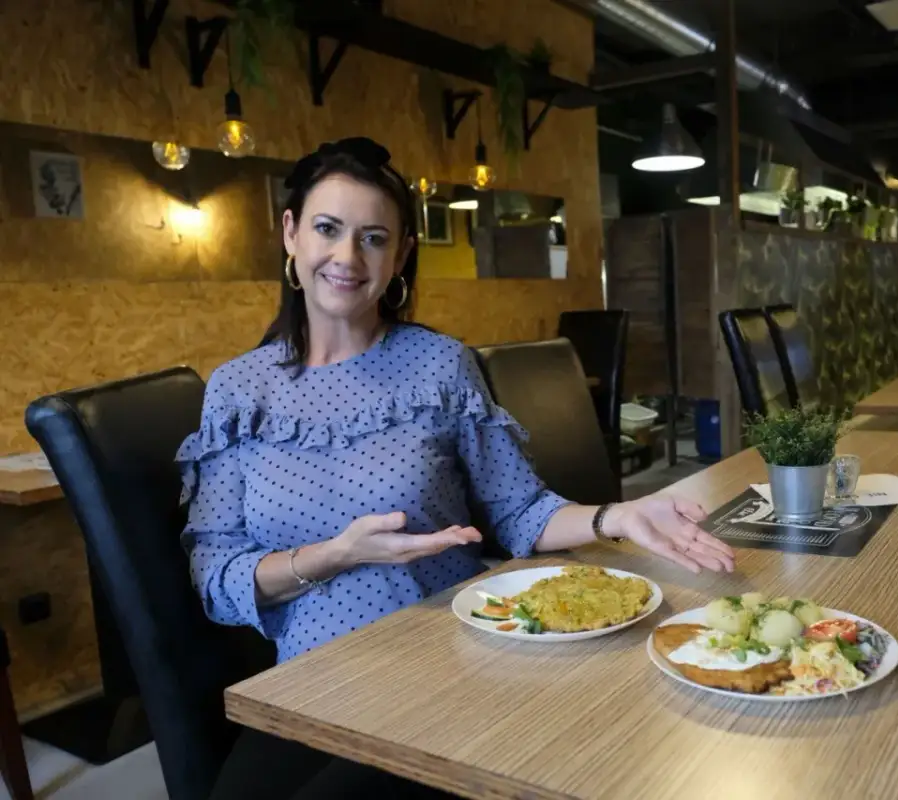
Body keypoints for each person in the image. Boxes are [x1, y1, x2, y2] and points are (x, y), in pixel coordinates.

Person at [177, 137, 736, 799]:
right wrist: (333, 555)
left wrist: (621, 515)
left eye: (374, 237)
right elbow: (215, 574)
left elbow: (519, 511)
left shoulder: (439, 365)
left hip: (448, 661)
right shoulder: (239, 390)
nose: (348, 257)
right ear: (291, 234)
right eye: (328, 229)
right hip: (312, 679)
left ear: (401, 254)